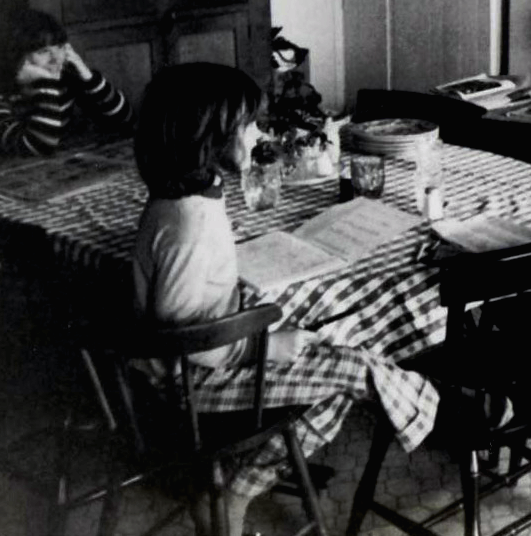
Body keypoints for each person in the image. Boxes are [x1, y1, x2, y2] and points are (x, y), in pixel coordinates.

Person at [132, 63, 437, 536]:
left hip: (217, 343)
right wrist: (267, 347)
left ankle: (408, 398)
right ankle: (238, 487)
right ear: (208, 138)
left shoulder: (188, 194)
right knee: (350, 372)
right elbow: (184, 342)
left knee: (334, 325)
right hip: (191, 382)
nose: (258, 132)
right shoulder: (187, 223)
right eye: (247, 125)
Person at [0, 9, 132, 159]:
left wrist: (90, 79)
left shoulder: (66, 80)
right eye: (43, 51)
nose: (56, 59)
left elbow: (125, 118)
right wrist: (45, 84)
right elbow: (37, 147)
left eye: (61, 47)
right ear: (15, 56)